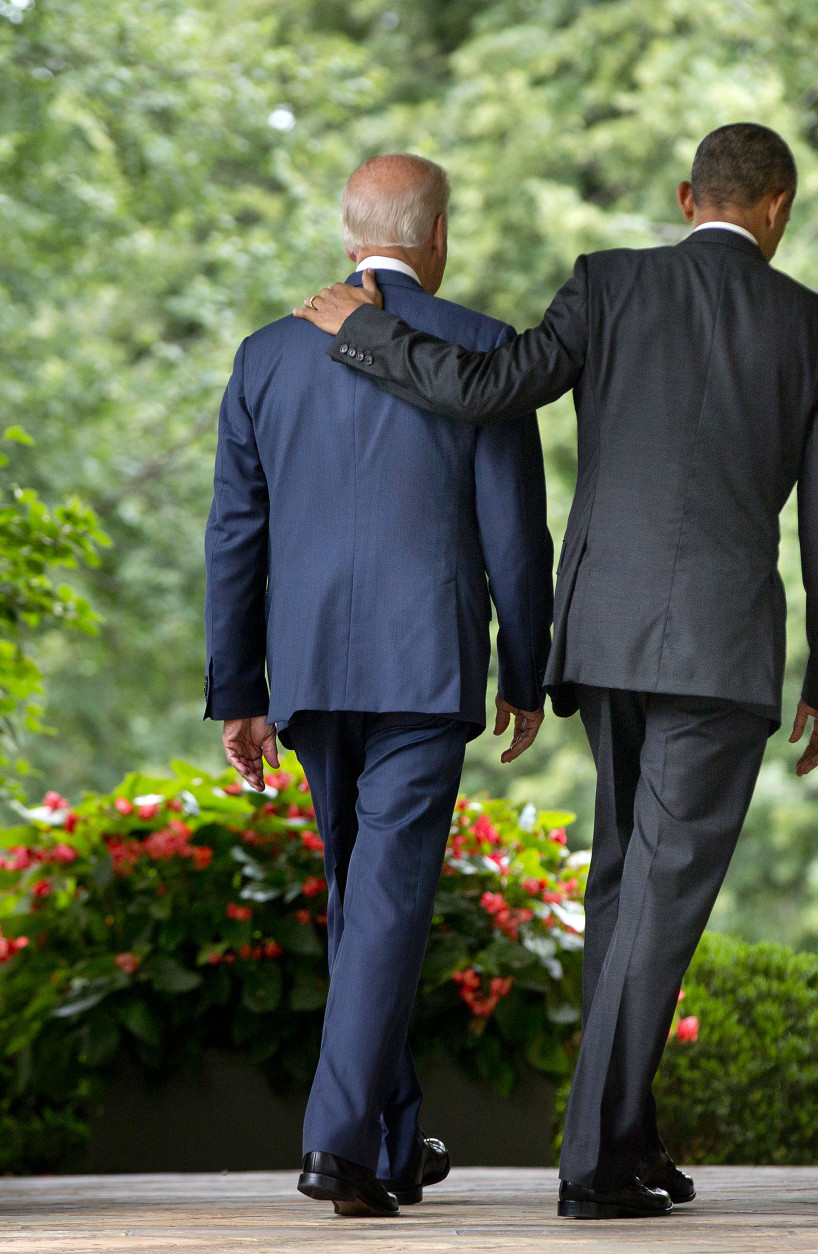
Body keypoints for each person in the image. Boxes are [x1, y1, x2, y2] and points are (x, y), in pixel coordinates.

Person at [295, 123, 818, 1219]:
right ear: (779, 207)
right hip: (717, 655)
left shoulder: (606, 285)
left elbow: (493, 388)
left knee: (625, 887)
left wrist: (372, 339)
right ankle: (595, 1168)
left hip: (601, 639)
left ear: (682, 192)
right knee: (656, 899)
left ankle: (631, 1135)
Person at [204, 153, 554, 1217]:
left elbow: (234, 535)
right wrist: (526, 668)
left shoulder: (265, 357)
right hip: (426, 662)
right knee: (388, 895)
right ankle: (337, 1147)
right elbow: (515, 534)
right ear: (435, 232)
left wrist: (239, 690)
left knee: (365, 898)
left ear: (344, 229)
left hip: (306, 668)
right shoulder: (484, 349)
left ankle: (393, 1141)